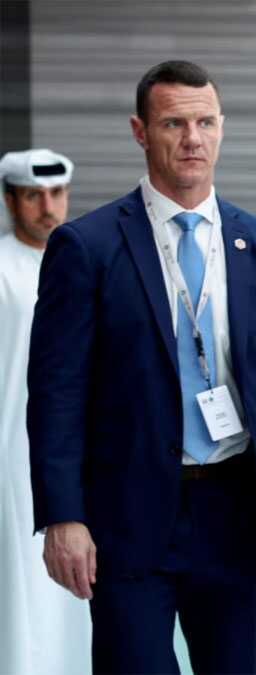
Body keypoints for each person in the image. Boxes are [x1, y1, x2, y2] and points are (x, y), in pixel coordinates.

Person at [26, 60, 256, 674]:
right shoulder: (88, 247)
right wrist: (63, 515)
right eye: (174, 123)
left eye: (205, 122)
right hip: (129, 519)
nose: (192, 138)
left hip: (238, 517)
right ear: (140, 130)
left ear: (222, 128)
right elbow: (56, 392)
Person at [0, 148, 92, 674]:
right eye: (33, 195)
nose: (47, 207)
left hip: (73, 459)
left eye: (56, 194)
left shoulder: (84, 262)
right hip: (10, 456)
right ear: (12, 200)